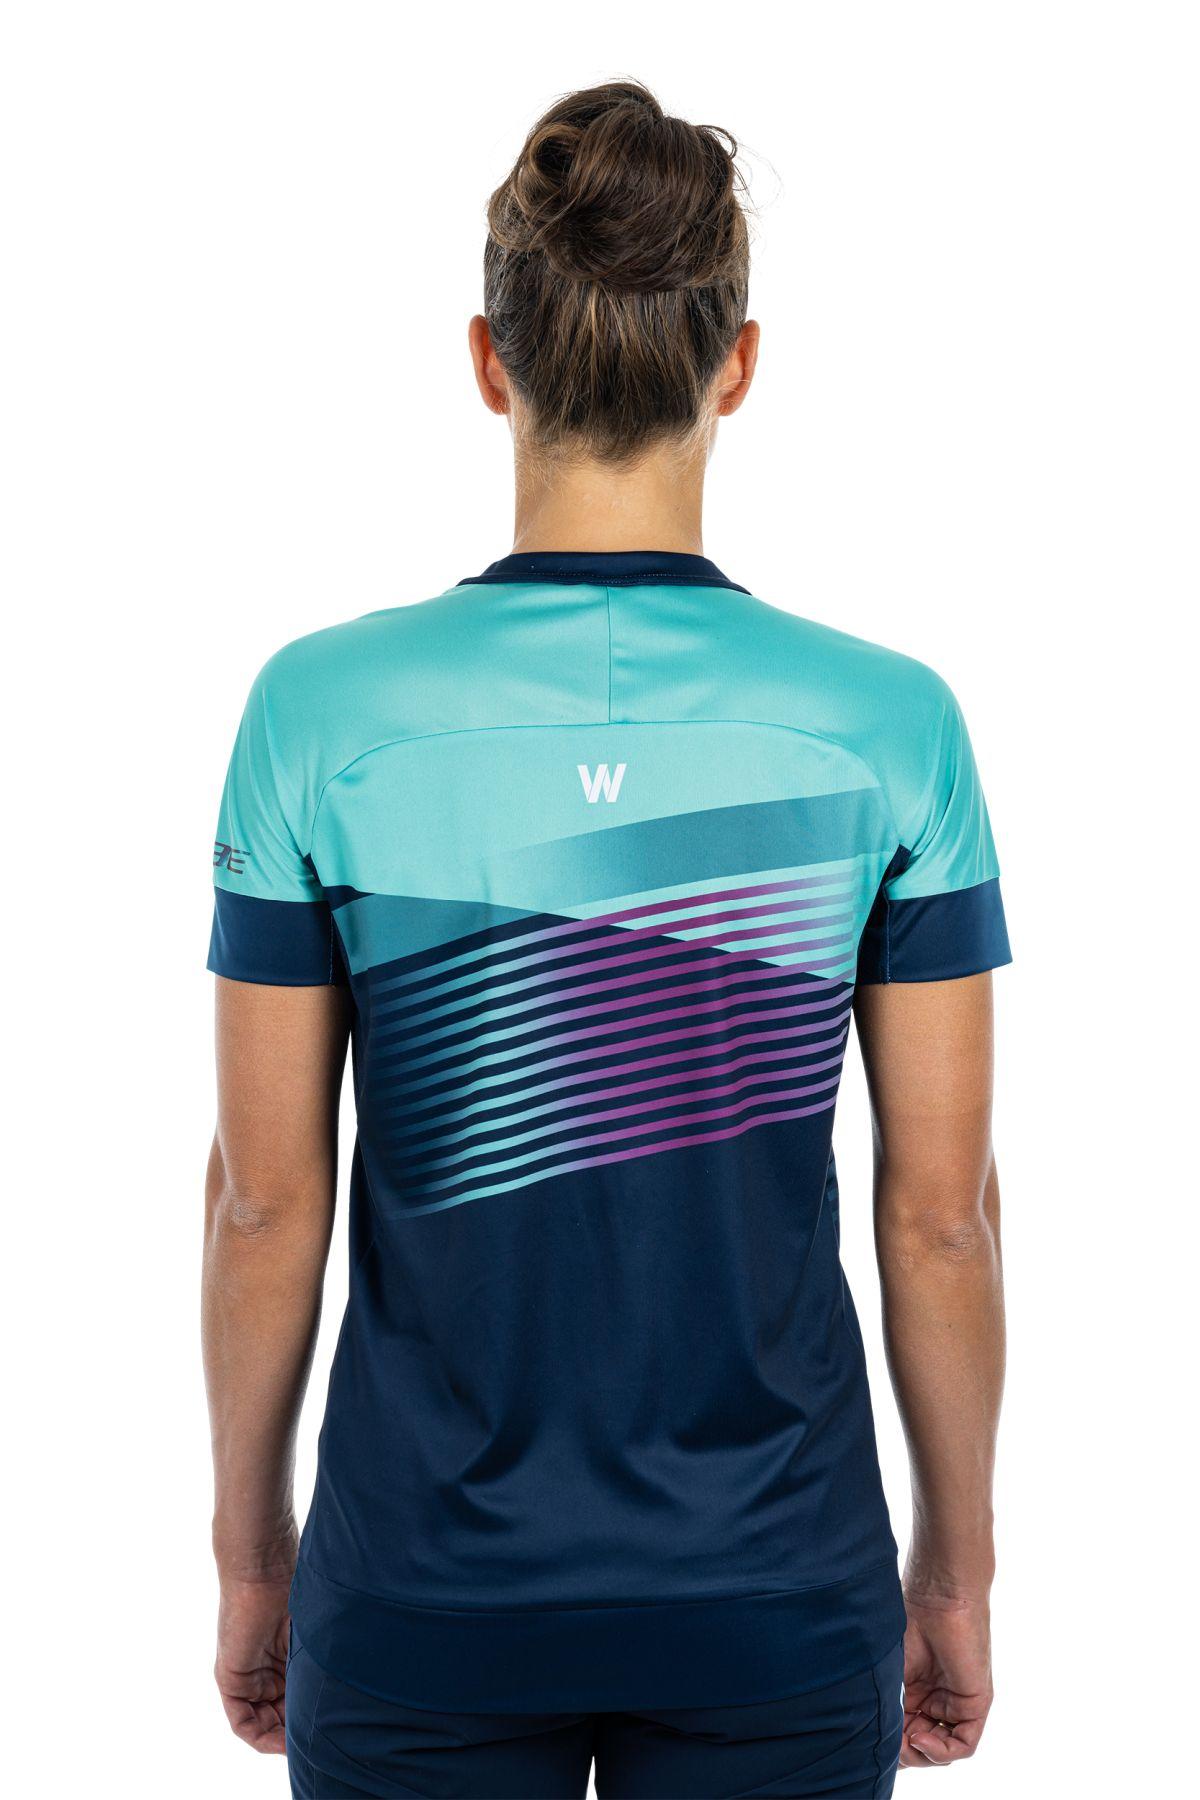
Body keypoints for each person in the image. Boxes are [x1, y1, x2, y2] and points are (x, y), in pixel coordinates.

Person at [203, 81, 1009, 1800]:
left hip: (420, 1593)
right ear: (738, 365)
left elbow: (263, 1204)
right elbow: (943, 1218)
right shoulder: (888, 727)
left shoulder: (320, 715)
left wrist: (252, 1554)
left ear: (489, 362)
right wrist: (955, 1572)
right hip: (776, 1592)